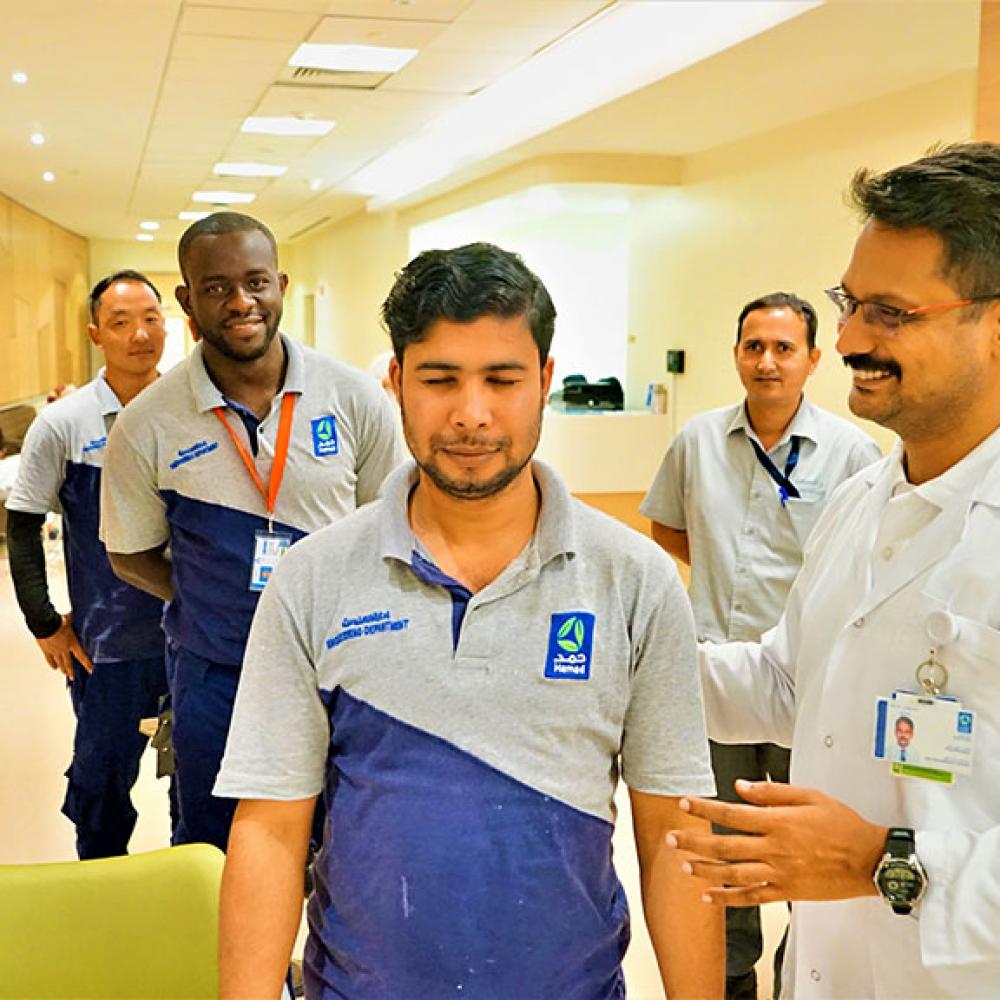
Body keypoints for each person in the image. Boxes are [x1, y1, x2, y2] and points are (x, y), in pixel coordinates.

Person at [214, 242, 724, 999]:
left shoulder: (634, 579)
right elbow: (270, 829)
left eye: (502, 379)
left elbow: (673, 831)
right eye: (440, 379)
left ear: (546, 382)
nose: (471, 414)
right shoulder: (316, 576)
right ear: (396, 383)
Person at [669, 142, 1000, 996]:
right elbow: (790, 684)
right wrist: (627, 658)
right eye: (850, 304)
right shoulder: (862, 498)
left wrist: (887, 863)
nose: (848, 339)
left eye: (889, 313)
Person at [100, 212, 401, 853]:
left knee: (345, 842)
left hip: (334, 665)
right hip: (214, 675)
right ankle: (230, 960)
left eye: (256, 282)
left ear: (281, 285)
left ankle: (320, 959)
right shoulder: (148, 422)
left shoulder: (354, 398)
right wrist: (207, 597)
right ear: (186, 300)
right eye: (215, 288)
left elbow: (389, 529)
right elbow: (129, 554)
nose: (241, 302)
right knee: (217, 845)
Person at [641, 291, 880, 997]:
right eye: (753, 346)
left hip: (806, 685)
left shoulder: (852, 453)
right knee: (718, 855)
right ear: (737, 354)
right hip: (711, 677)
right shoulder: (697, 442)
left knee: (804, 861)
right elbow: (668, 529)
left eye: (783, 348)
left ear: (812, 358)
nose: (767, 362)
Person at [5, 270, 171, 859]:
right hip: (108, 647)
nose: (140, 334)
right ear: (96, 333)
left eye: (151, 317)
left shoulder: (190, 412)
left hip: (194, 638)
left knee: (202, 785)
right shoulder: (63, 424)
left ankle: (197, 901)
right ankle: (102, 893)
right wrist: (43, 620)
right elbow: (21, 521)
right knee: (102, 789)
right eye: (121, 322)